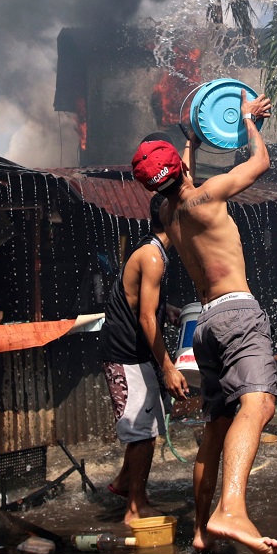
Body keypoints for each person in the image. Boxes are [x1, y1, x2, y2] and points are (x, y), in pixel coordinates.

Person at [132, 96, 277, 554]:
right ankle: (231, 510)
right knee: (257, 404)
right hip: (239, 315)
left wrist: (190, 144)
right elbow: (261, 160)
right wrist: (245, 122)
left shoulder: (168, 214)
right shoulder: (209, 194)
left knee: (216, 429)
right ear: (181, 174)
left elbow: (175, 180)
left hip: (205, 326)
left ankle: (201, 531)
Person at [101, 198, 189, 525]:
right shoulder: (152, 257)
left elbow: (139, 304)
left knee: (147, 428)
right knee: (142, 433)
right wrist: (168, 367)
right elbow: (146, 320)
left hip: (135, 353)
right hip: (127, 354)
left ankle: (126, 483)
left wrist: (168, 310)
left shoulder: (154, 252)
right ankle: (135, 508)